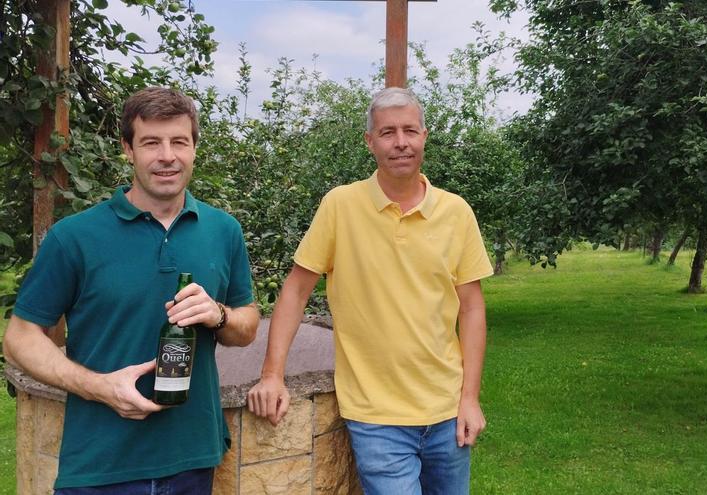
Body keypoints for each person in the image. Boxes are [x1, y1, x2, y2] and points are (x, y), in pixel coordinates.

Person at [3, 87, 260, 493]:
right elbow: (19, 338)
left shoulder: (223, 230)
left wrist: (220, 315)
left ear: (194, 148)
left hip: (192, 461)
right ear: (128, 149)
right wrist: (100, 387)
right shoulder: (75, 237)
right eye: (150, 143)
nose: (167, 156)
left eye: (179, 141)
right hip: (100, 464)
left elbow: (246, 326)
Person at [247, 87, 494, 494]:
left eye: (410, 131)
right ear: (370, 141)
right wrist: (272, 374)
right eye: (388, 133)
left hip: (448, 411)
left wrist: (470, 398)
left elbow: (471, 309)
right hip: (376, 416)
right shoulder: (340, 206)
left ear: (424, 136)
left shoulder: (456, 212)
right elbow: (294, 291)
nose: (401, 142)